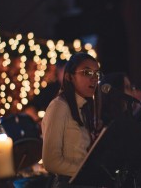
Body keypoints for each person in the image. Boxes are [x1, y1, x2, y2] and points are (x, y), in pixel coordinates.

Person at [41, 52, 101, 187]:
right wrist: (89, 172)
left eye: (96, 74)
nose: (94, 78)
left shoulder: (85, 108)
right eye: (87, 72)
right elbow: (51, 162)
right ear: (69, 77)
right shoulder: (59, 106)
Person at [99, 72, 141, 188]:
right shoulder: (107, 122)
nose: (133, 92)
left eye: (132, 87)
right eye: (127, 87)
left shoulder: (130, 119)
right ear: (114, 91)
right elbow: (127, 156)